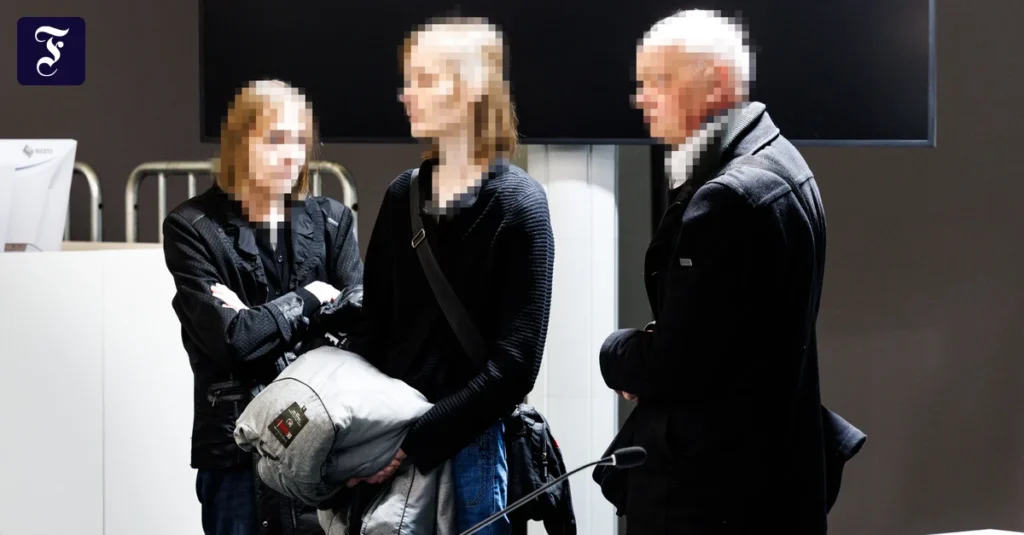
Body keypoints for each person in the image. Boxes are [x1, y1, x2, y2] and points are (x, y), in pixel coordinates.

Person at [598, 10, 835, 534]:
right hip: (770, 482)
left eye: (658, 81)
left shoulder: (726, 197)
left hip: (712, 497)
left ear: (717, 82)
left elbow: (676, 366)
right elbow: (735, 331)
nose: (641, 99)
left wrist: (616, 352)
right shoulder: (785, 162)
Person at [347, 18, 555, 535]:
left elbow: (514, 367)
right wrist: (364, 434)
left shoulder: (520, 205)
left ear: (470, 90)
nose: (405, 95)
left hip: (471, 450)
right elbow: (373, 327)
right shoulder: (403, 195)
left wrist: (413, 443)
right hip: (389, 438)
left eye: (423, 79)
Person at [162, 79, 364, 535]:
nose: (290, 155)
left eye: (298, 140)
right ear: (239, 143)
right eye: (274, 140)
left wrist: (257, 319)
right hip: (237, 452)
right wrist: (311, 298)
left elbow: (359, 332)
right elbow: (232, 342)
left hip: (322, 444)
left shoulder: (332, 220)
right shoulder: (192, 227)